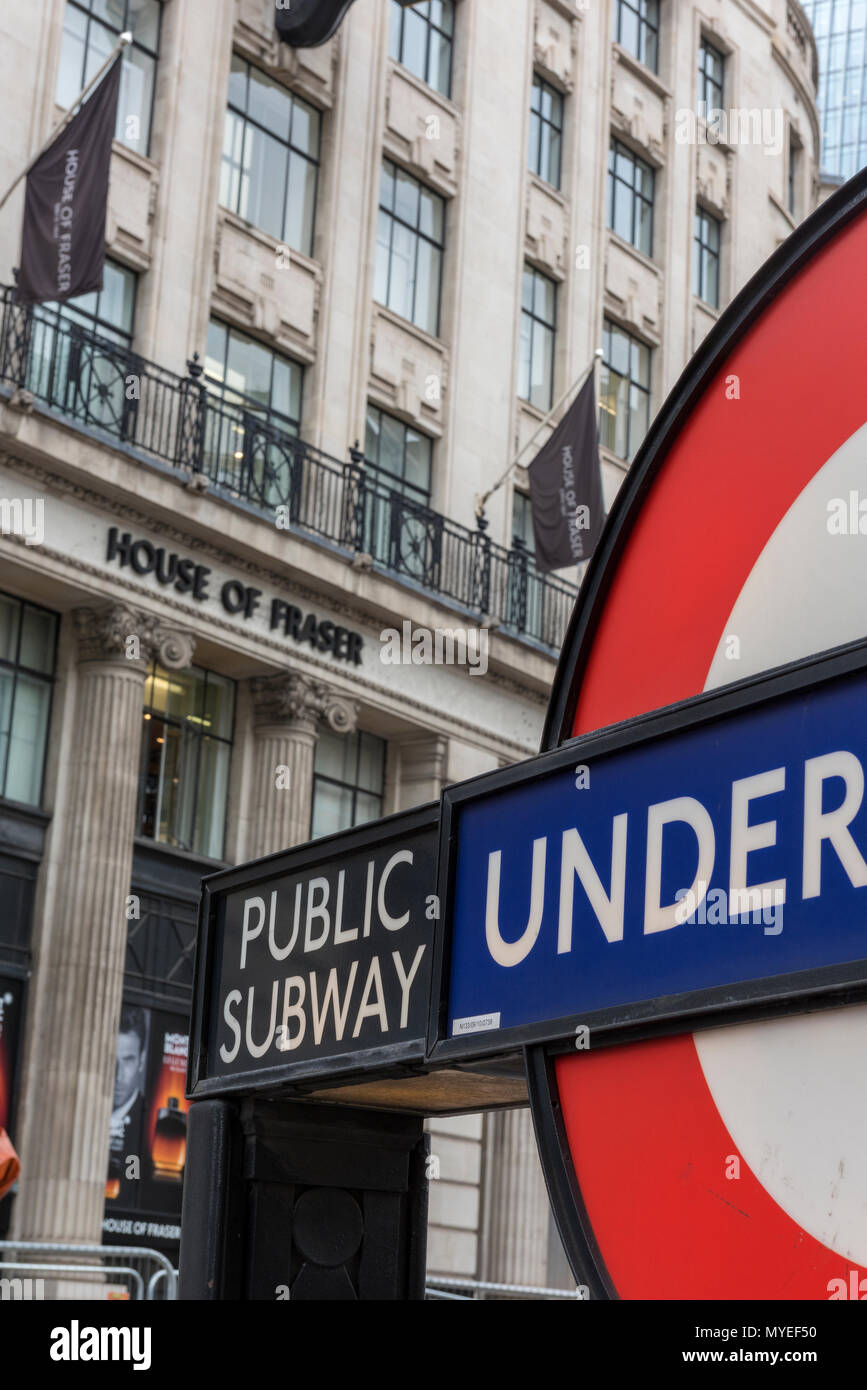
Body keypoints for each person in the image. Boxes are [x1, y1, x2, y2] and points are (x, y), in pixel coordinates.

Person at [106, 1004, 149, 1205]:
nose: (118, 1074)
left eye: (128, 1060)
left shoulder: (149, 1122)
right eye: (111, 1060)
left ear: (141, 1060)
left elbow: (136, 1180)